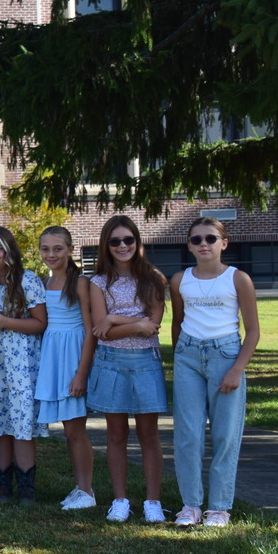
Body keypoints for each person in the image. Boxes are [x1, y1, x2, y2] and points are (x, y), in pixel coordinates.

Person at [170, 217, 260, 528]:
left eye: (210, 238)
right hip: (188, 357)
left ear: (224, 243)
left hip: (226, 355)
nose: (203, 244)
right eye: (196, 240)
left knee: (224, 435)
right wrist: (180, 354)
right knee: (188, 434)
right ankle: (191, 505)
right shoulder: (180, 280)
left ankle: (219, 507)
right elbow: (178, 323)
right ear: (189, 245)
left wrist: (237, 369)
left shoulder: (238, 279)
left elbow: (252, 331)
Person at [88, 215, 169, 524]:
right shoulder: (98, 282)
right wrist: (129, 322)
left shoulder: (153, 278)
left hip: (145, 362)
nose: (123, 246)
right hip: (110, 362)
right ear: (106, 246)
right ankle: (120, 500)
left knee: (149, 435)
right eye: (115, 241)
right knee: (116, 434)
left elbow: (153, 326)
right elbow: (101, 331)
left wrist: (114, 319)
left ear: (137, 242)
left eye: (128, 240)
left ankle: (153, 502)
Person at [0, 227, 48, 503]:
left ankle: (26, 487)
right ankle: (3, 486)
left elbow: (40, 323)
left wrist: (6, 322)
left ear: (10, 251)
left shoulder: (27, 280)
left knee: (21, 422)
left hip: (23, 363)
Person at [36, 227, 98, 511]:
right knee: (68, 429)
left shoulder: (81, 282)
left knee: (76, 430)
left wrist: (81, 373)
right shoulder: (43, 283)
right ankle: (79, 486)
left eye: (58, 248)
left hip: (73, 355)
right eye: (45, 249)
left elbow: (89, 331)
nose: (51, 254)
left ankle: (87, 490)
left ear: (71, 249)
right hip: (53, 355)